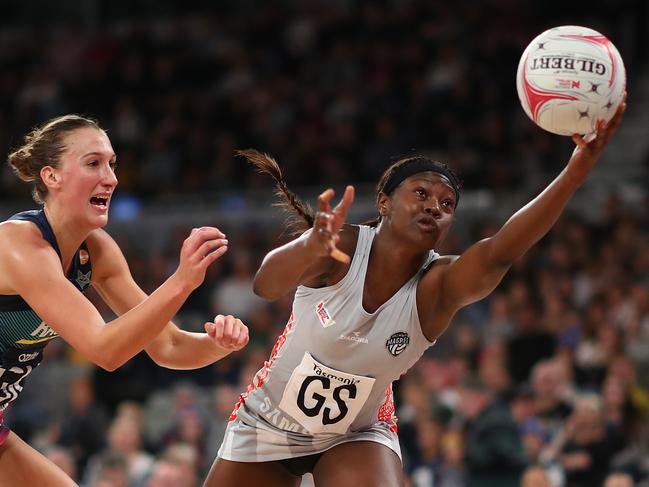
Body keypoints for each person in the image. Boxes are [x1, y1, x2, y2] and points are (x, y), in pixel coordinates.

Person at [204, 100, 626, 487]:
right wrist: (305, 248)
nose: (433, 207)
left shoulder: (437, 287)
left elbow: (502, 251)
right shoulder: (341, 246)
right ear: (384, 202)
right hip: (267, 420)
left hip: (355, 433)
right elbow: (265, 285)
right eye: (421, 193)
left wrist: (576, 169)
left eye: (446, 204)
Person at [0, 114, 249, 486]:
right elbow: (104, 349)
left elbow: (168, 346)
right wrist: (180, 282)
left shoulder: (96, 251)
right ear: (51, 176)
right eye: (93, 163)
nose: (111, 178)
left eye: (112, 164)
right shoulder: (18, 245)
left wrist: (219, 345)